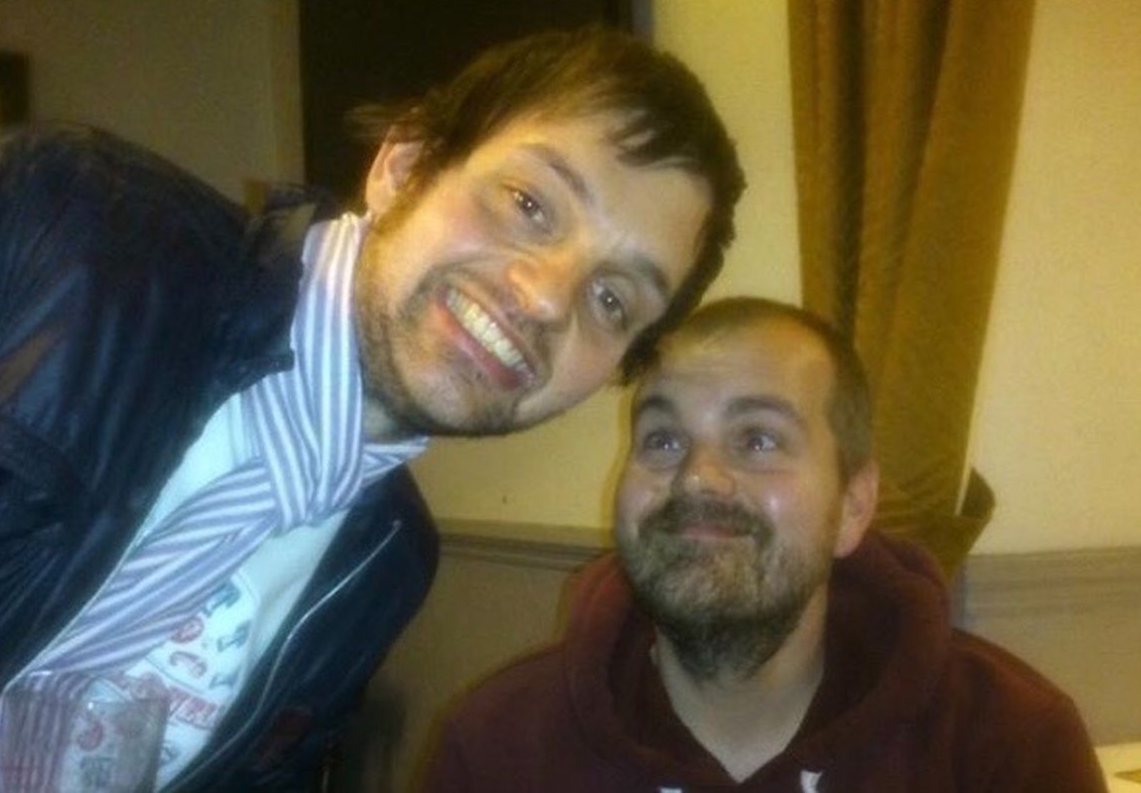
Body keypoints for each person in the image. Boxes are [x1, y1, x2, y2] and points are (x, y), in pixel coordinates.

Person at [0, 25, 744, 791]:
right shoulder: (57, 222)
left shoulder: (390, 562)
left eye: (612, 299)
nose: (545, 299)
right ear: (405, 165)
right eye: (529, 203)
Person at [422, 296, 1107, 793]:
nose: (697, 476)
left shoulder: (1009, 745)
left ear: (853, 505)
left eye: (757, 439)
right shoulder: (497, 749)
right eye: (663, 439)